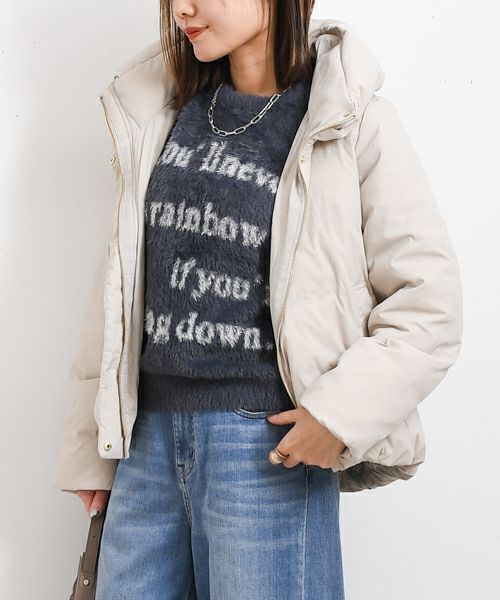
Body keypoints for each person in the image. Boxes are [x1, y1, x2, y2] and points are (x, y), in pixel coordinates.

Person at [51, 1, 463, 598]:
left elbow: (428, 301)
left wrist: (338, 416)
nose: (182, 9)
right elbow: (116, 290)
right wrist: (92, 448)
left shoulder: (349, 119)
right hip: (145, 446)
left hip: (265, 448)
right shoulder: (161, 110)